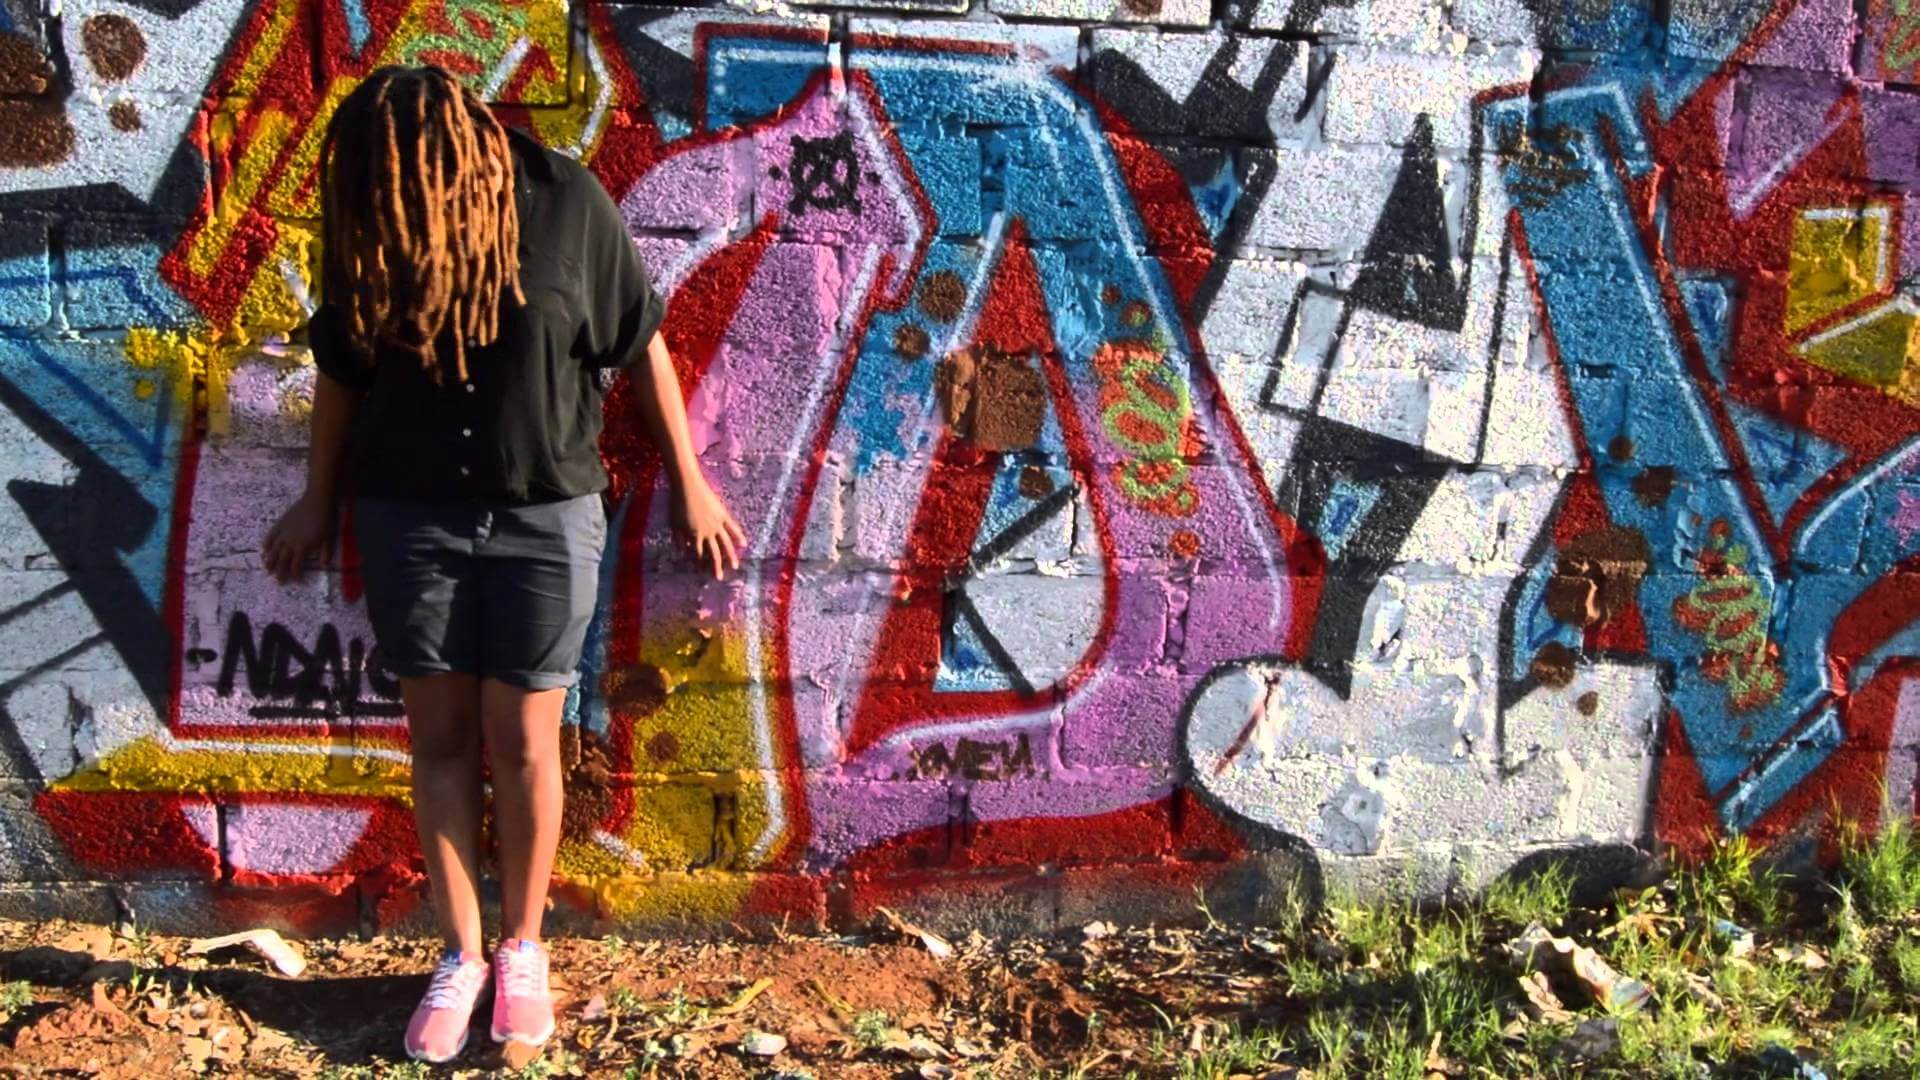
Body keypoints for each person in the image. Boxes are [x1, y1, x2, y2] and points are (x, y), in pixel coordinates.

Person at [261, 65, 744, 1063]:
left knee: (526, 743)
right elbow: (342, 372)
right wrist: (318, 496)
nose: (390, 198)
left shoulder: (564, 201)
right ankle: (462, 956)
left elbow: (639, 343)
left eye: (404, 179)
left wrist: (691, 485)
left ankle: (523, 948)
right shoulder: (377, 220)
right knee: (440, 740)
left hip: (546, 517)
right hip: (410, 517)